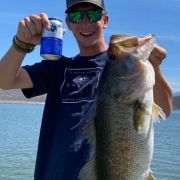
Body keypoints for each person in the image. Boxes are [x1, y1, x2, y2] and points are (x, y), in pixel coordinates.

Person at [0, 0, 172, 179]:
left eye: (93, 15)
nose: (85, 23)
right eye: (76, 16)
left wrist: (155, 68)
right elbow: (5, 81)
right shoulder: (57, 68)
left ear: (105, 20)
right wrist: (21, 44)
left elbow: (165, 110)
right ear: (68, 24)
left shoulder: (124, 66)